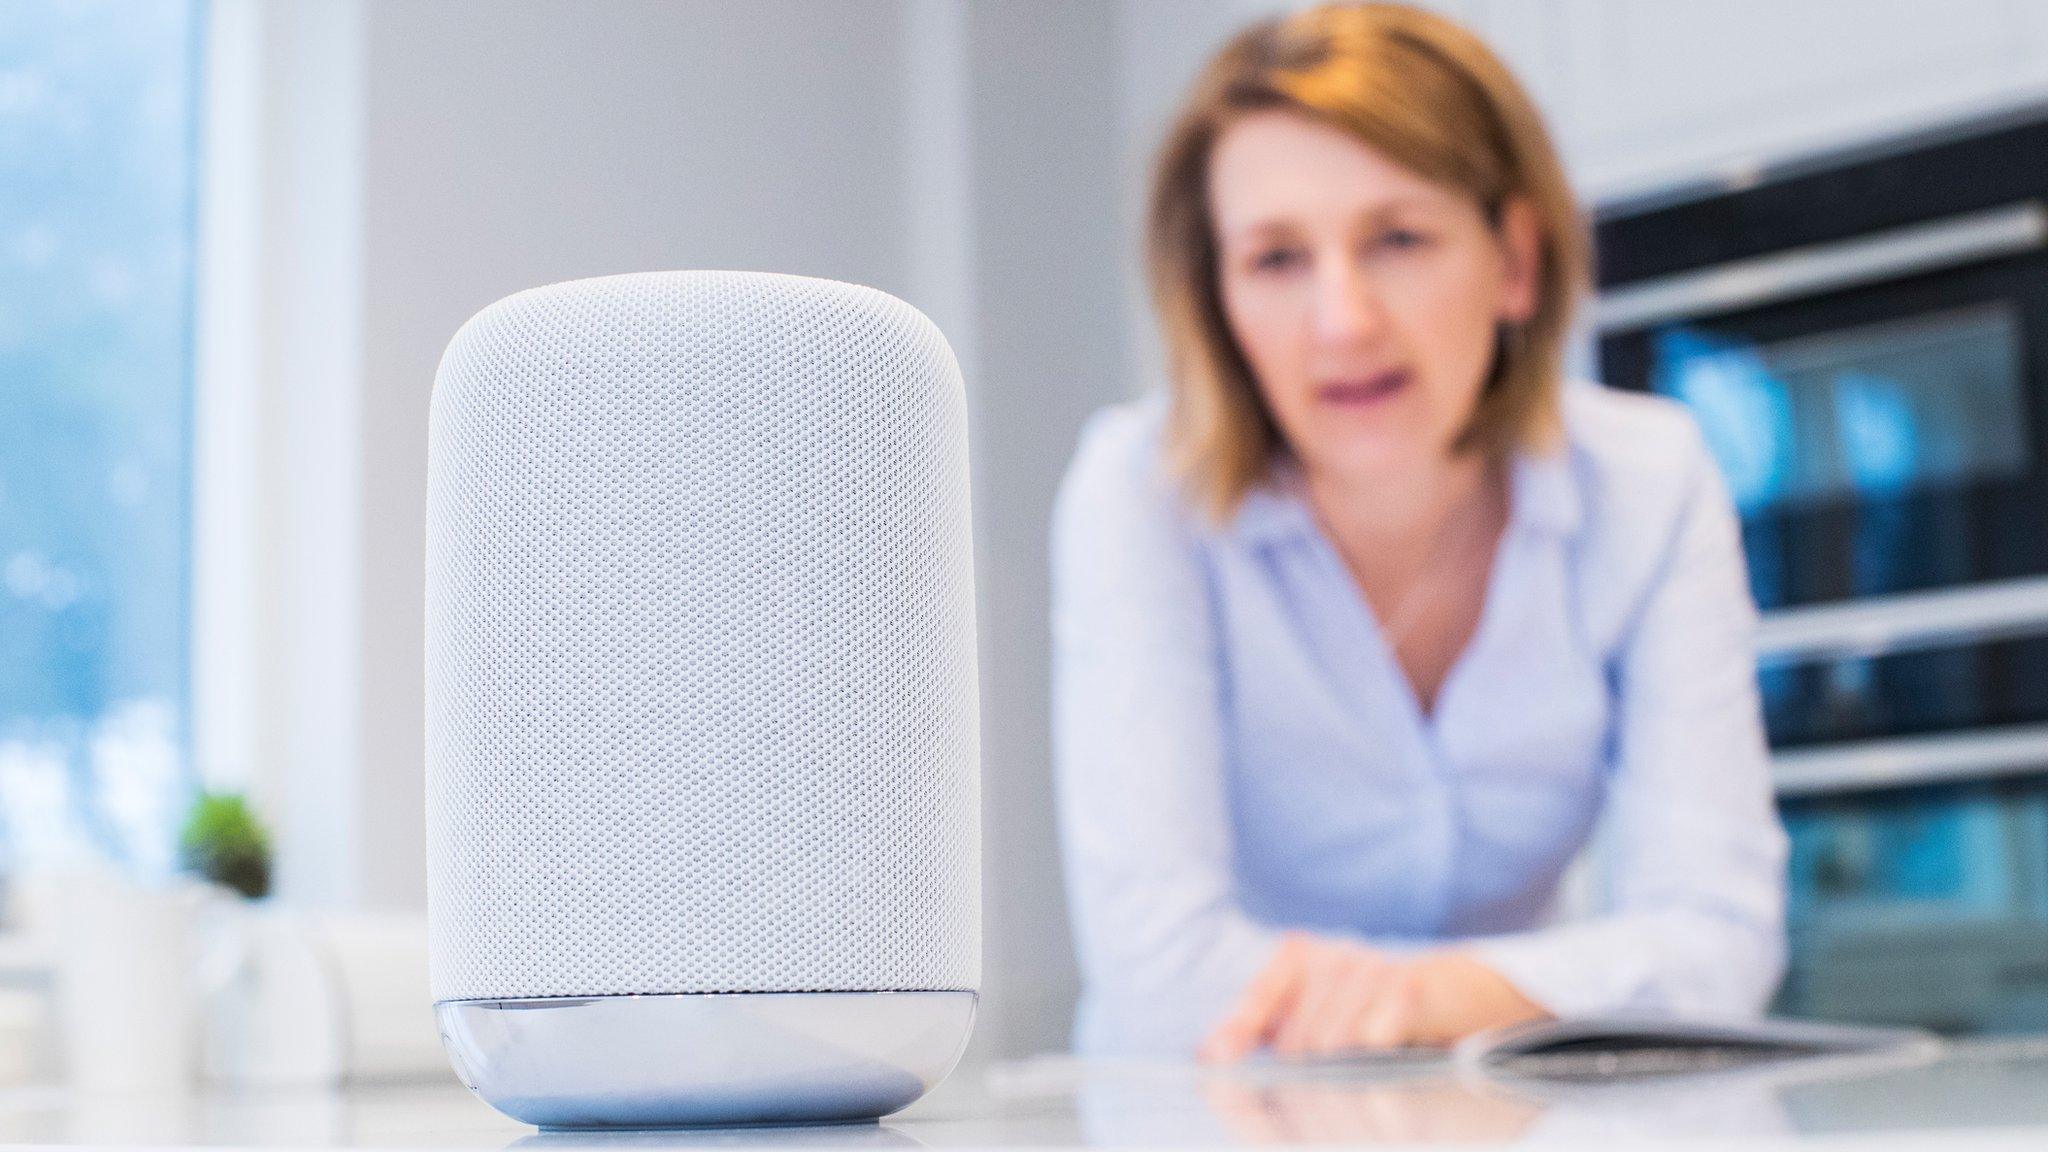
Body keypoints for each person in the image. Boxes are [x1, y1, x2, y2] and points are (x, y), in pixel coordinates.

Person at [1050, 1, 1789, 1060]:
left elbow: (1719, 942)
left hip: (1510, 1109)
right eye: (1273, 259)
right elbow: (1157, 966)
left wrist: (1431, 1000)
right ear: (1215, 299)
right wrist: (1507, 994)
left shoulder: (1648, 482)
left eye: (1396, 239)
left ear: (1514, 261)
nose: (1342, 321)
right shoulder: (1137, 493)